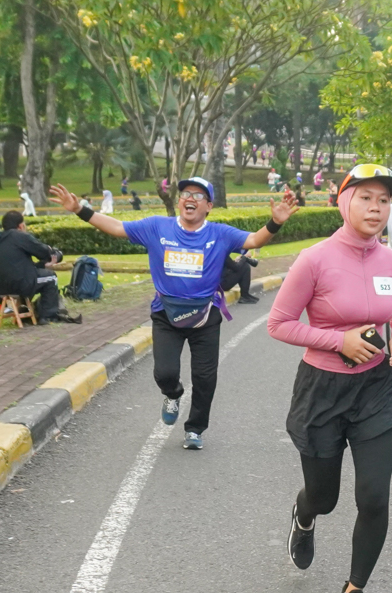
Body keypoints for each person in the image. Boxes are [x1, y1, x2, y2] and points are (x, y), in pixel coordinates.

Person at [268, 164, 392, 593]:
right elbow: (278, 323)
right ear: (345, 201)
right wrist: (339, 341)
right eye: (366, 197)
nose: (376, 208)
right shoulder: (314, 260)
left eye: (384, 200)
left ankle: (354, 590)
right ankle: (305, 514)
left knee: (374, 497)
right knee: (325, 497)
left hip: (376, 390)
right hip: (322, 390)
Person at [49, 177, 295, 450]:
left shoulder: (219, 233)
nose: (190, 199)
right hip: (166, 314)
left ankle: (195, 429)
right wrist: (79, 209)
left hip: (205, 316)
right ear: (179, 201)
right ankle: (173, 394)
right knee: (164, 373)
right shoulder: (157, 227)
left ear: (209, 206)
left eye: (198, 196)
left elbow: (254, 239)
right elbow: (117, 227)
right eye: (186, 194)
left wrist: (276, 222)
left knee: (204, 378)